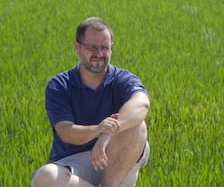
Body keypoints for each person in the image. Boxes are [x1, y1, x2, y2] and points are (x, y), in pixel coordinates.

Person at [31, 17, 150, 187]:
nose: (99, 54)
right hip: (72, 167)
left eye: (105, 48)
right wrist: (97, 129)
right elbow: (65, 131)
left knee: (138, 125)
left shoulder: (123, 79)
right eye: (92, 47)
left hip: (116, 161)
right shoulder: (60, 85)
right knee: (45, 176)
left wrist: (106, 135)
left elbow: (141, 104)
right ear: (77, 47)